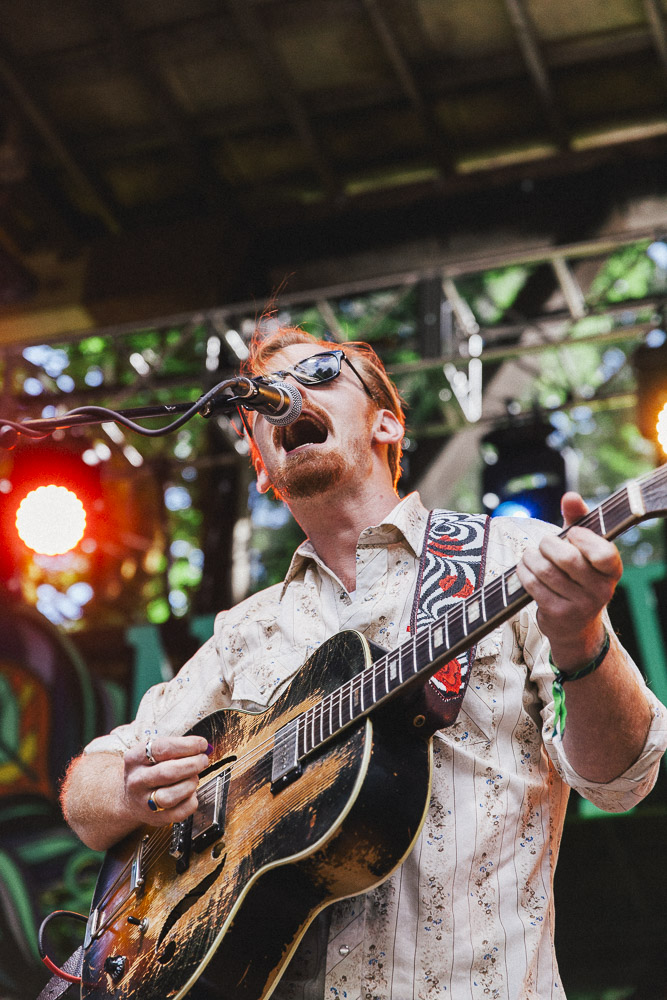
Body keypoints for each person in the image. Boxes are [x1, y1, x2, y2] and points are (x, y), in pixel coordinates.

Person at [61, 326, 667, 1000]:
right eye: (259, 403)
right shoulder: (245, 631)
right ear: (260, 467)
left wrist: (580, 640)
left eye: (321, 372)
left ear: (385, 423)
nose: (284, 397)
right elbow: (87, 798)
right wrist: (126, 790)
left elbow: (621, 782)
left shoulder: (512, 558)